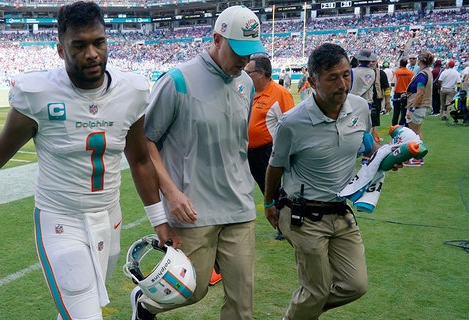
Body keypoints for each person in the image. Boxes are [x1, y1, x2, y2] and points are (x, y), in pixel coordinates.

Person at [0, 2, 178, 319]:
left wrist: (160, 222)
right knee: (84, 313)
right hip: (60, 219)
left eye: (98, 42)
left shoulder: (132, 90)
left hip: (109, 216)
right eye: (79, 46)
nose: (92, 53)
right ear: (60, 49)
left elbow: (139, 159)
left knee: (86, 306)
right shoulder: (39, 93)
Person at [132, 5, 264, 320]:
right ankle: (144, 302)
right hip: (193, 211)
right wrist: (171, 192)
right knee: (193, 290)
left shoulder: (246, 83)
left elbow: (238, 144)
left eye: (251, 53)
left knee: (242, 305)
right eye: (238, 51)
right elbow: (145, 140)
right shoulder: (177, 81)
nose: (245, 60)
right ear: (217, 39)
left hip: (239, 208)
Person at [262, 43, 382, 320]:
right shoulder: (292, 123)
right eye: (333, 78)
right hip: (305, 215)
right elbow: (275, 166)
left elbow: (367, 145)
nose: (343, 84)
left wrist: (385, 156)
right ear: (313, 81)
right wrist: (269, 202)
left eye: (346, 75)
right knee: (315, 290)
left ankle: (301, 314)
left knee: (355, 285)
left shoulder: (360, 107)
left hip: (342, 212)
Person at [245, 54, 295, 240]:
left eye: (248, 72)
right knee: (263, 189)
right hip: (248, 152)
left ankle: (284, 225)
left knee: (274, 189)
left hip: (268, 151)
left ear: (261, 73)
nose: (245, 74)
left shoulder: (280, 93)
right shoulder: (248, 92)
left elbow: (291, 123)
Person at [404, 51, 435, 166]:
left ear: (420, 61)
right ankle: (418, 156)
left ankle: (418, 156)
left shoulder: (422, 74)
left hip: (417, 106)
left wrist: (412, 109)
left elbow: (419, 93)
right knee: (416, 131)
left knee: (414, 132)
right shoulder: (427, 72)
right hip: (420, 105)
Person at [391, 58, 415, 126]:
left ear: (400, 64)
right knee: (404, 110)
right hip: (407, 94)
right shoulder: (411, 73)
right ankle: (403, 123)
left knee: (396, 111)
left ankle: (394, 124)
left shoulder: (396, 72)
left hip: (397, 93)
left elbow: (393, 83)